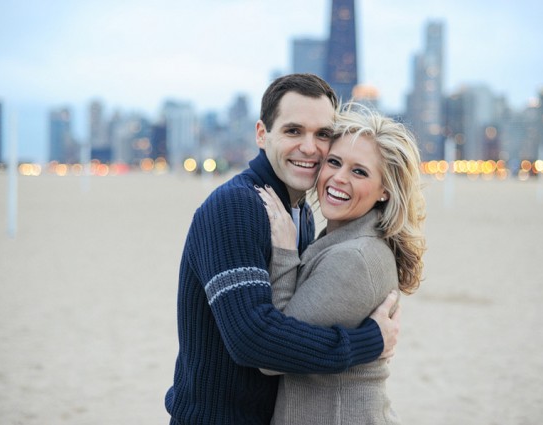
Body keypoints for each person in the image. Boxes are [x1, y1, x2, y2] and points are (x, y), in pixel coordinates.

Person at [164, 74, 401, 425]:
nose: (310, 147)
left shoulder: (299, 213)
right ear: (262, 134)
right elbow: (252, 339)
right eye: (293, 131)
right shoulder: (236, 206)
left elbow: (294, 312)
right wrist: (369, 342)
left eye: (322, 134)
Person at [256, 102, 426, 424]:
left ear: (385, 191)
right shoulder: (345, 238)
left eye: (359, 171)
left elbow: (274, 354)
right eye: (334, 162)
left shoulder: (356, 258)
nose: (338, 178)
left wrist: (283, 255)